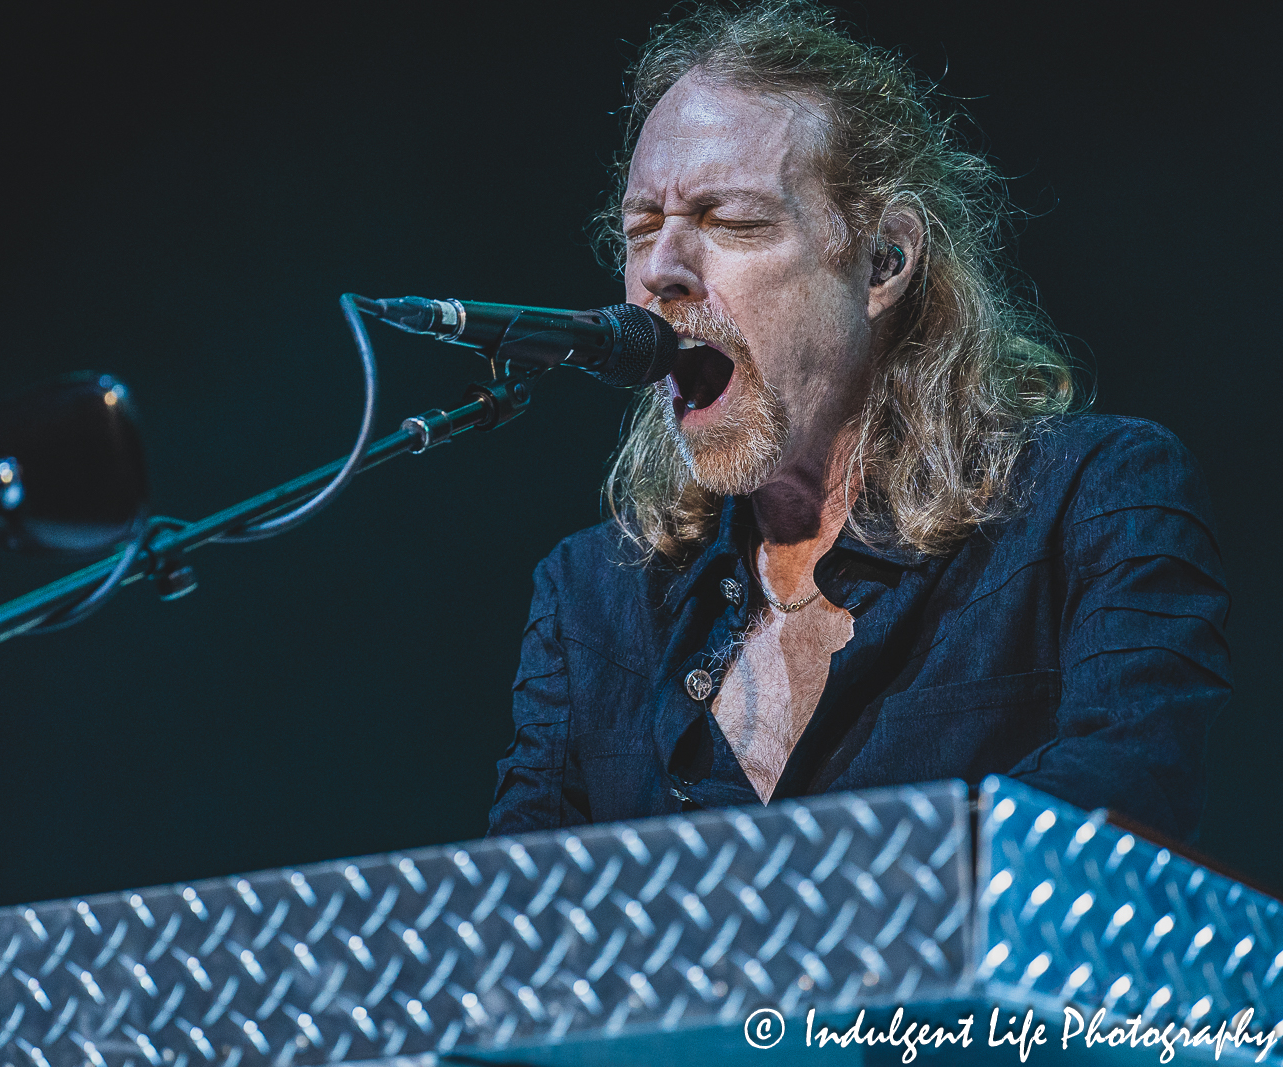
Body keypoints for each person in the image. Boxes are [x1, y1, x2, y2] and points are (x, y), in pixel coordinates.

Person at [487, 0, 1230, 841]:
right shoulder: (591, 601)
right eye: (641, 228)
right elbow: (517, 919)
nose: (661, 271)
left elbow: (1118, 809)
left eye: (731, 221)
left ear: (884, 261)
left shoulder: (1094, 505)